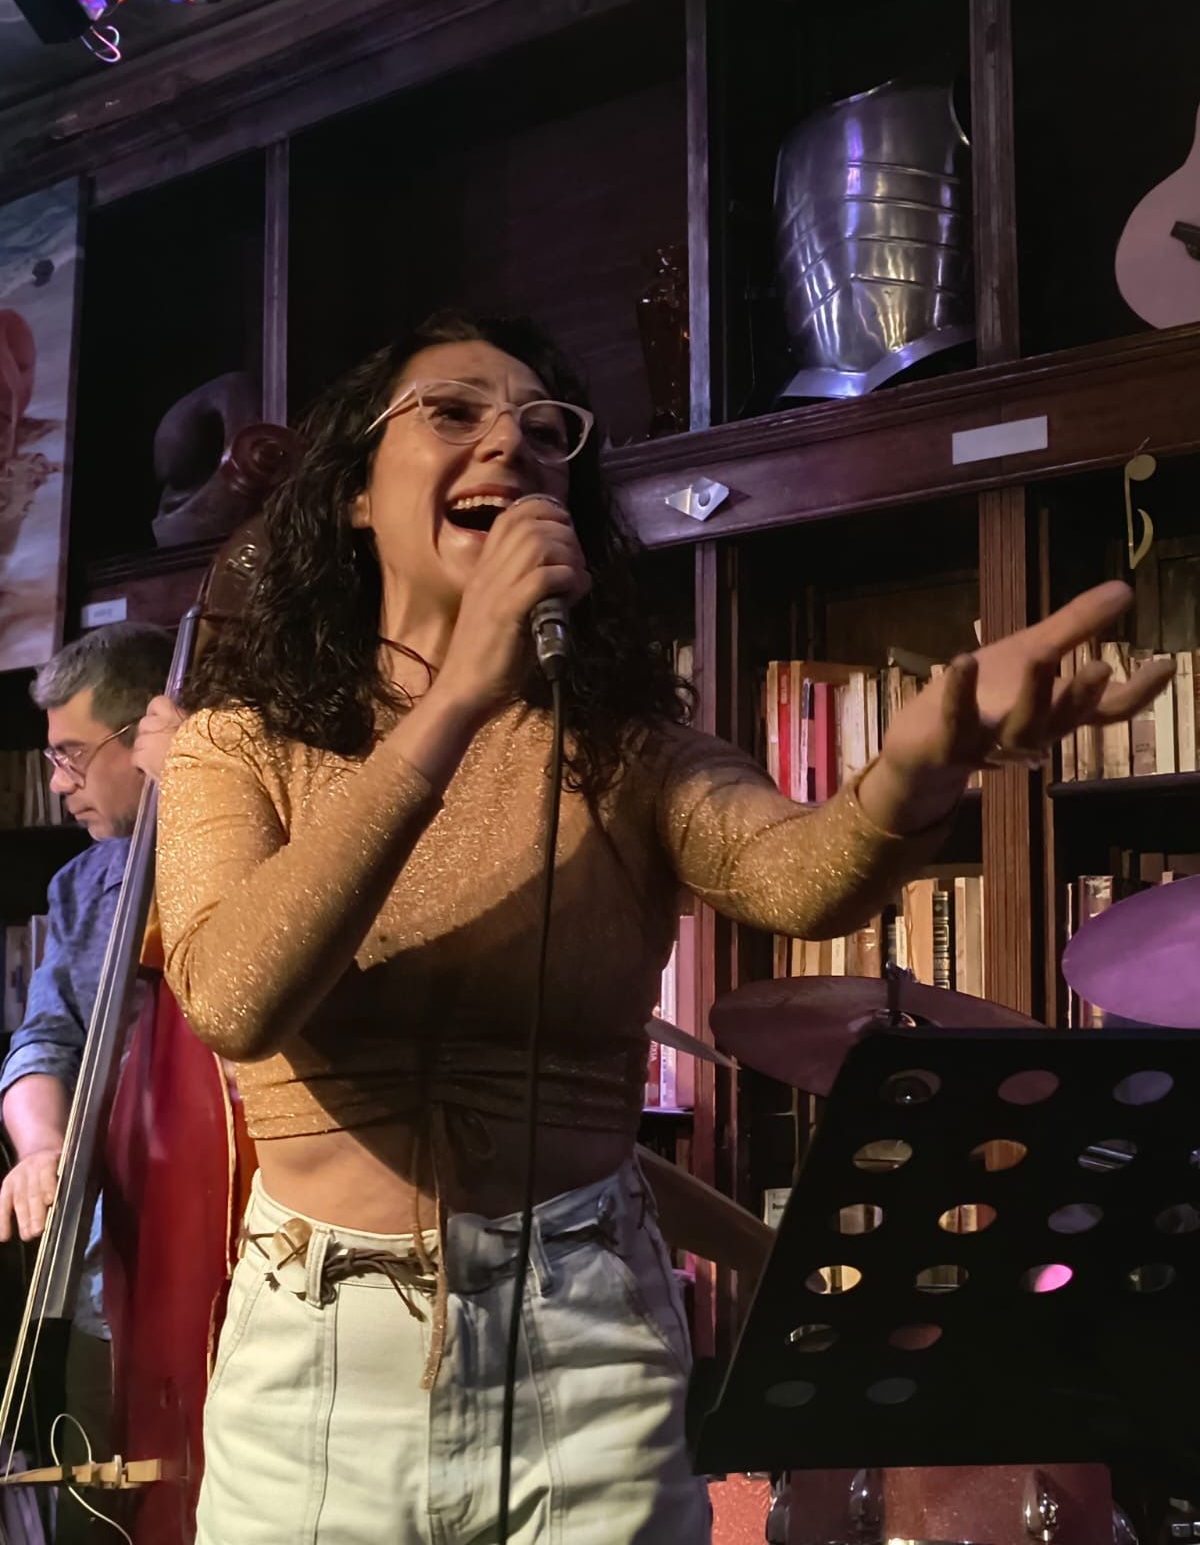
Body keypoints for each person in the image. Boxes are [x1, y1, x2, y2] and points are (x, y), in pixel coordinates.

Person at [153, 309, 1170, 1545]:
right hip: (316, 1362)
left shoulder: (627, 749)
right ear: (356, 494)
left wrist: (916, 763)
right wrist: (459, 698)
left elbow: (798, 877)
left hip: (583, 1339)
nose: (510, 444)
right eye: (454, 412)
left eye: (545, 430)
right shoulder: (238, 744)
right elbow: (237, 995)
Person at [0, 622, 175, 1542]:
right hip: (113, 1266)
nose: (60, 782)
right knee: (92, 1511)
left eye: (72, 755)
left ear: (145, 733)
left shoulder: (245, 846)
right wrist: (41, 1146)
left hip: (229, 1253)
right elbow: (45, 1038)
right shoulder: (82, 885)